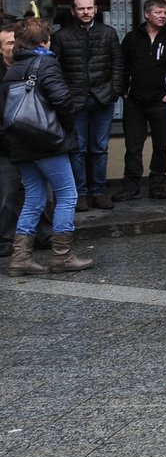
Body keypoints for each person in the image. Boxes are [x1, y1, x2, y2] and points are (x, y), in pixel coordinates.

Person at [5, 17, 90, 274]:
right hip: (46, 141)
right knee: (68, 194)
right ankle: (62, 256)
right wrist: (65, 130)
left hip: (20, 142)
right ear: (45, 39)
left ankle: (20, 258)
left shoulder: (12, 68)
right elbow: (62, 101)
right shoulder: (46, 62)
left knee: (34, 196)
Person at [54, 0, 124, 210]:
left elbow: (118, 65)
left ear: (96, 9)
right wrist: (65, 96)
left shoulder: (108, 33)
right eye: (81, 8)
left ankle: (99, 192)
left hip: (103, 98)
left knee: (100, 148)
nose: (86, 12)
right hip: (75, 100)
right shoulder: (61, 36)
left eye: (89, 8)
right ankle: (81, 193)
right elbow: (55, 70)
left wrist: (113, 90)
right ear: (73, 11)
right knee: (78, 149)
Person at [113, 0, 166, 201]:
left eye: (165, 12)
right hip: (134, 102)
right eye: (158, 12)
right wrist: (124, 92)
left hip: (161, 102)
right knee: (133, 147)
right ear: (147, 14)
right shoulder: (131, 38)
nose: (163, 15)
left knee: (161, 146)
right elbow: (121, 66)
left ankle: (157, 186)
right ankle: (131, 186)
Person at [0, 21, 25, 256]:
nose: (14, 47)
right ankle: (6, 240)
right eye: (9, 43)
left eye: (17, 42)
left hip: (31, 142)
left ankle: (45, 235)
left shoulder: (27, 68)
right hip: (5, 145)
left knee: (42, 194)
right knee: (7, 195)